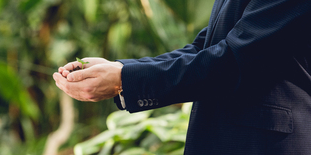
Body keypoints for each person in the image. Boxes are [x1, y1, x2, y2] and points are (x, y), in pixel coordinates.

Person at [53, 0, 311, 154]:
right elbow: (206, 46)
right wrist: (120, 68)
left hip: (264, 144)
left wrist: (123, 79)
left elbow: (233, 60)